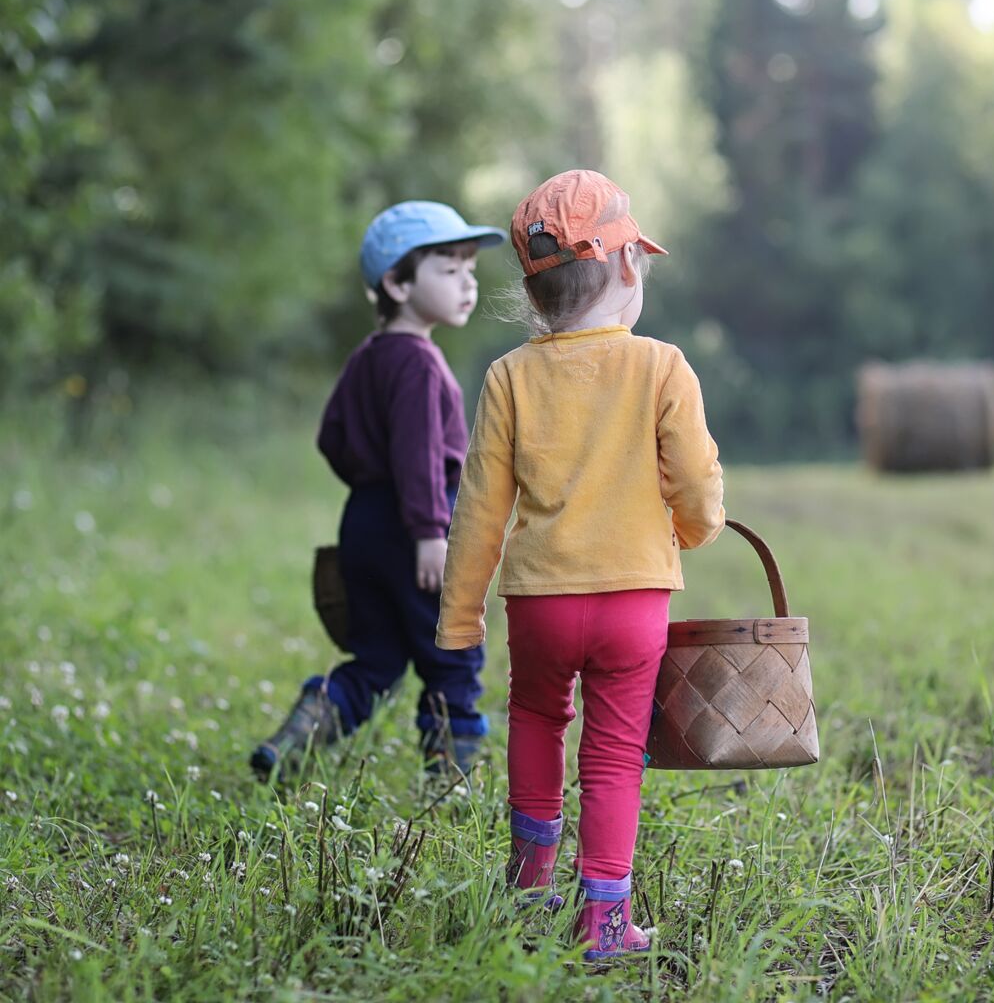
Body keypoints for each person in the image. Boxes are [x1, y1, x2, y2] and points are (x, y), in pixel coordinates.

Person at [437, 169, 725, 960]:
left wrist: (460, 619)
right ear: (629, 267)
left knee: (535, 718)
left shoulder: (507, 378)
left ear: (533, 296)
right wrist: (696, 531)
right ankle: (604, 926)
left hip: (539, 603)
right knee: (612, 751)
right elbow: (696, 485)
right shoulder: (663, 368)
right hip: (635, 603)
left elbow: (479, 515)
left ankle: (529, 893)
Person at [250, 200, 506, 783]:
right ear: (396, 281)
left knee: (377, 660)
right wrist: (425, 532)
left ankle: (296, 739)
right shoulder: (419, 363)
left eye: (470, 269)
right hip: (419, 525)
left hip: (364, 521)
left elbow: (332, 438)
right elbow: (418, 454)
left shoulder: (367, 359)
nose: (467, 282)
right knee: (453, 651)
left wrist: (371, 488)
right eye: (449, 270)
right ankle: (450, 783)